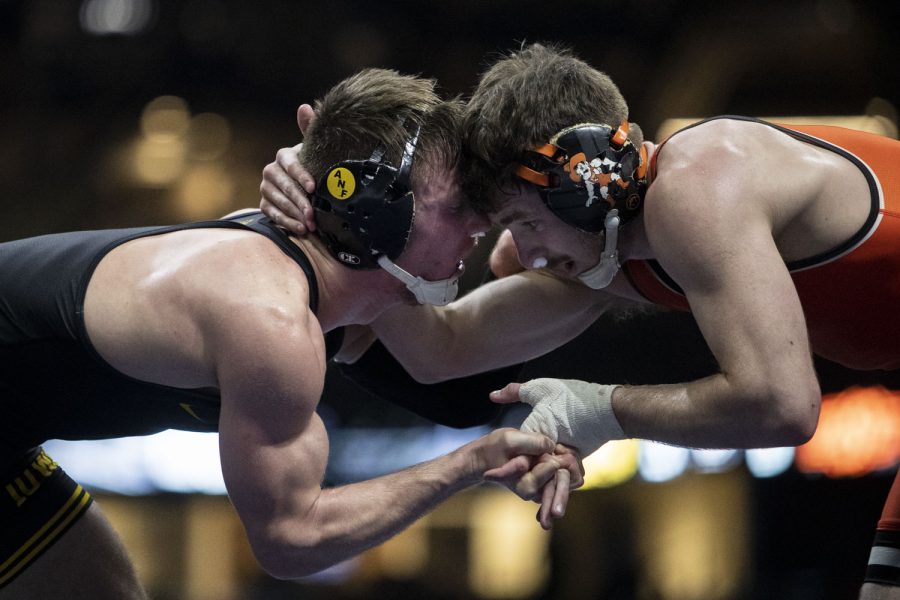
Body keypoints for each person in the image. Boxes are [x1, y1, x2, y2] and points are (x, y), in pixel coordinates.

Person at [259, 44, 900, 597]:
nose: (526, 254)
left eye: (525, 221)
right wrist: (341, 203)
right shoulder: (608, 251)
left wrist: (599, 410)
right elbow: (442, 352)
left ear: (584, 178)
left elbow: (784, 404)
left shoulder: (699, 182)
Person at [0, 68, 585, 599]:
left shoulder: (329, 284)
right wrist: (469, 464)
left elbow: (447, 376)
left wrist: (603, 263)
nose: (479, 227)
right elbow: (289, 540)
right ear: (378, 210)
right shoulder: (269, 317)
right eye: (459, 208)